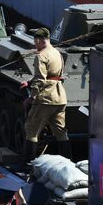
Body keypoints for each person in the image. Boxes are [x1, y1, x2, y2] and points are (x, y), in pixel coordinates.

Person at [20, 27, 70, 161]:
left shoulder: (41, 56)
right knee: (61, 132)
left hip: (45, 99)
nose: (35, 44)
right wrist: (29, 82)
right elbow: (54, 75)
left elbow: (40, 79)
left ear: (38, 40)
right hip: (59, 97)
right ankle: (67, 161)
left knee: (31, 130)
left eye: (35, 41)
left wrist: (31, 98)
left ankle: (28, 163)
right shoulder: (57, 53)